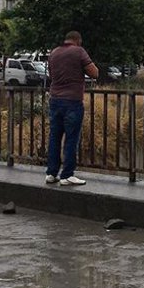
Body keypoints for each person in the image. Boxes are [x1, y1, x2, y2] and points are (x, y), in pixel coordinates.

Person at [45, 31, 98, 186]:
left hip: (55, 100)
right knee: (71, 138)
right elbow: (94, 73)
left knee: (54, 137)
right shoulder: (79, 51)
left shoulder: (54, 53)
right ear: (78, 41)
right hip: (72, 101)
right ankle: (67, 175)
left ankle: (51, 173)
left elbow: (51, 75)